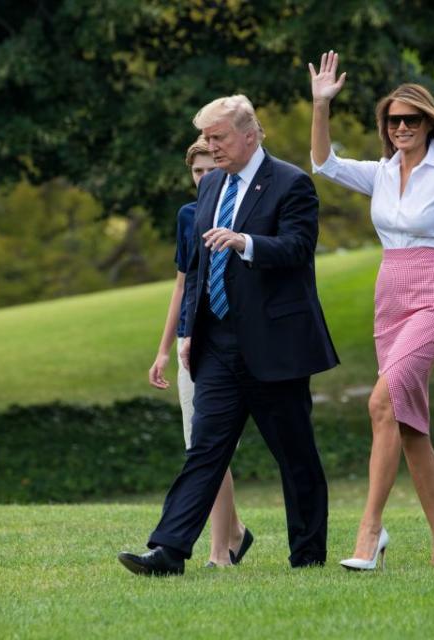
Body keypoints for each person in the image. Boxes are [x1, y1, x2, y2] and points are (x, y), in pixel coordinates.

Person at [118, 94, 339, 576]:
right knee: (205, 447)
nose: (209, 147)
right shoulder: (211, 184)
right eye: (206, 138)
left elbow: (298, 249)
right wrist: (189, 329)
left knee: (295, 453)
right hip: (216, 342)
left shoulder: (291, 183)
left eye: (217, 137)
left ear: (250, 134)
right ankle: (169, 552)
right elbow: (197, 266)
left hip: (274, 345)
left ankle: (307, 555)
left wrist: (246, 242)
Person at [308, 51, 434, 570]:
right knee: (408, 426)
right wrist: (321, 106)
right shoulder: (380, 174)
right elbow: (324, 164)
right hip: (390, 297)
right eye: (393, 120)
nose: (401, 127)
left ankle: (369, 532)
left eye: (411, 119)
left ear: (428, 123)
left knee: (382, 402)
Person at [147, 135, 252, 568]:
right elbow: (181, 284)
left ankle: (221, 551)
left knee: (210, 444)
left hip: (230, 341)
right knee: (200, 443)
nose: (204, 177)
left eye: (211, 169)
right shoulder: (188, 216)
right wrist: (163, 350)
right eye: (197, 171)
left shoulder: (241, 213)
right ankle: (235, 533)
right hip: (191, 340)